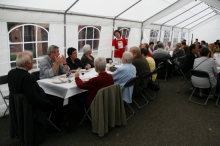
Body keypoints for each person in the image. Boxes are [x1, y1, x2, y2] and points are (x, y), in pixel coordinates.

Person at [8, 51, 69, 131]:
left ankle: (51, 118)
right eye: (32, 60)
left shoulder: (11, 72)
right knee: (64, 100)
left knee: (55, 97)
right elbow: (34, 99)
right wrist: (48, 103)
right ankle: (55, 123)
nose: (33, 62)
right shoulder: (27, 77)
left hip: (20, 104)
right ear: (27, 63)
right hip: (32, 105)